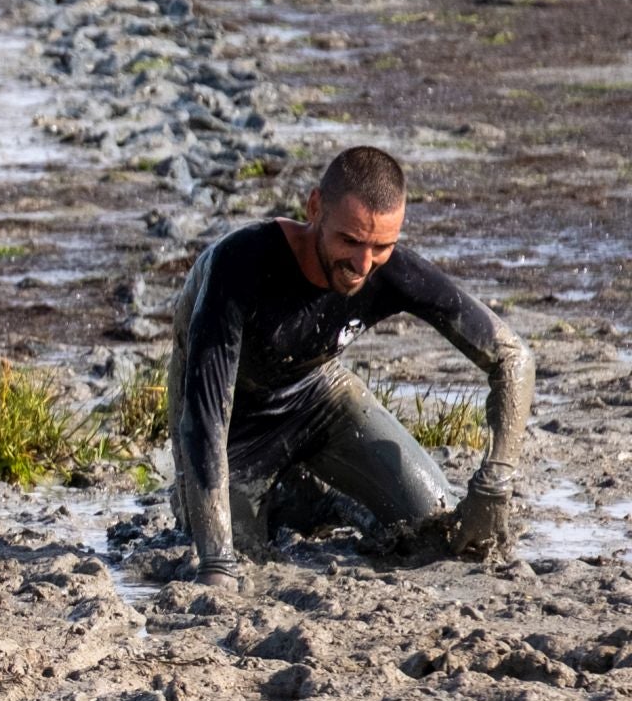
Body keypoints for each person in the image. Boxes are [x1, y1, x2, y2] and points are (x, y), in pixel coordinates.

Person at [167, 145, 533, 588]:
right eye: (351, 241)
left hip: (320, 398)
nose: (363, 265)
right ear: (315, 207)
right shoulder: (239, 264)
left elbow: (513, 358)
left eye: (382, 245)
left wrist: (494, 484)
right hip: (233, 434)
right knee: (241, 559)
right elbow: (204, 419)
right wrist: (216, 565)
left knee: (437, 531)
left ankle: (332, 499)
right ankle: (290, 500)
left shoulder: (392, 270)